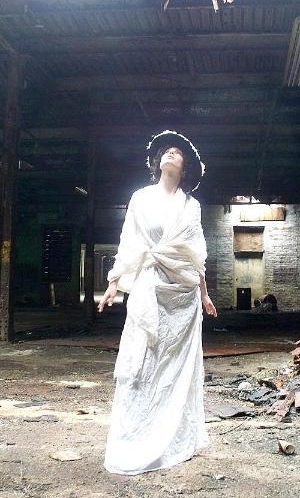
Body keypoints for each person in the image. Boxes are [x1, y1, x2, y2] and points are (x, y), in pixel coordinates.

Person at [98, 130, 217, 475]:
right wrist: (114, 283)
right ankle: (136, 437)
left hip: (182, 295)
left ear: (185, 167)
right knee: (144, 360)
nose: (170, 153)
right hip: (149, 287)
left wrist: (204, 293)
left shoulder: (191, 205)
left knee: (176, 367)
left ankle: (174, 435)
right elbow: (129, 242)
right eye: (166, 151)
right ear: (157, 161)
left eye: (177, 152)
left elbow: (196, 254)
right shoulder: (140, 198)